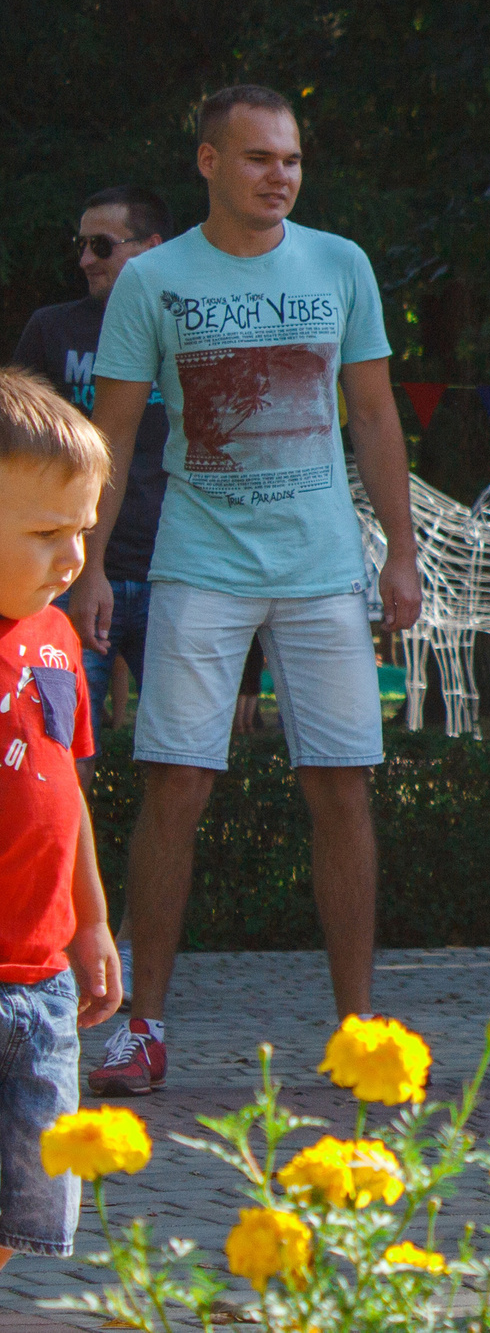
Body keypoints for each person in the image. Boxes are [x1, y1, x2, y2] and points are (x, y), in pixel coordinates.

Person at [73, 86, 424, 1098]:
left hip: (322, 570)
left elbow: (374, 414)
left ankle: (357, 1032)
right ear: (209, 163)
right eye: (260, 157)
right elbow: (117, 437)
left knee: (342, 782)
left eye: (293, 160)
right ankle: (143, 1025)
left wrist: (400, 551)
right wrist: (92, 566)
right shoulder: (154, 280)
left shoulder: (340, 263)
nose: (280, 175)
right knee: (176, 784)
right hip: (199, 564)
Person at [0, 370, 122, 1272]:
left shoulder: (56, 640)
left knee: (26, 1211)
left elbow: (67, 789)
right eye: (46, 533)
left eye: (82, 529)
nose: (72, 556)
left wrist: (94, 921)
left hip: (42, 985)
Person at [14, 187, 173, 735]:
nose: (85, 260)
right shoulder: (51, 328)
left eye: (101, 246)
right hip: (72, 570)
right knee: (54, 745)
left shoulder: (189, 328)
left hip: (176, 571)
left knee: (187, 755)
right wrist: (87, 568)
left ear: (151, 248)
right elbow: (20, 461)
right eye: (81, 245)